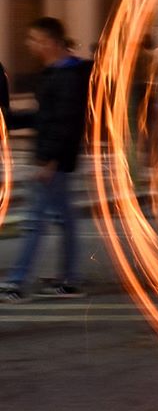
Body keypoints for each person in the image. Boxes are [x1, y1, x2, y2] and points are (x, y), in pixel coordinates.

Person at [0, 18, 90, 302]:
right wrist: (10, 120)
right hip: (54, 159)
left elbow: (66, 123)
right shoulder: (54, 73)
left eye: (35, 39)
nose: (30, 45)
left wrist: (49, 161)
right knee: (65, 219)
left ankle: (16, 282)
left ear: (51, 42)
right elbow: (45, 116)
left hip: (54, 161)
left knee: (34, 222)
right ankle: (71, 280)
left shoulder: (68, 77)